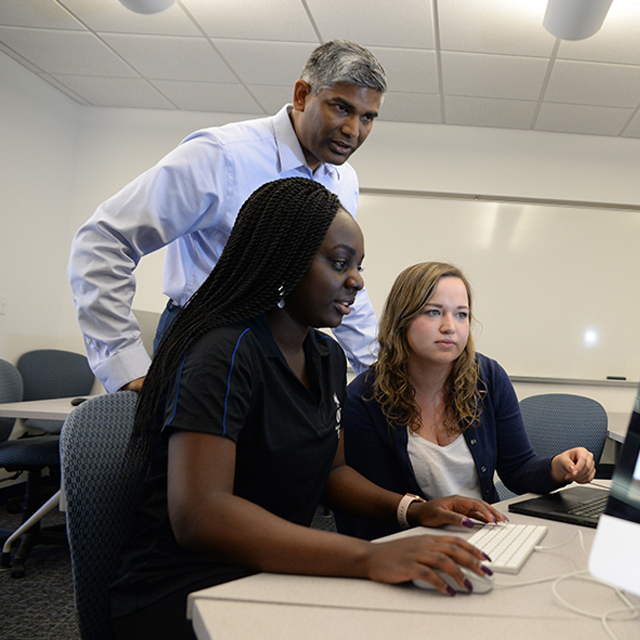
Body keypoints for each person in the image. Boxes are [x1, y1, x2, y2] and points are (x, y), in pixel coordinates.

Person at [109, 180, 496, 640]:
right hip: (187, 587)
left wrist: (414, 511)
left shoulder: (326, 357)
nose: (357, 279)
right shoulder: (225, 352)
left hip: (272, 569)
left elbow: (331, 475)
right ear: (284, 259)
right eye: (339, 263)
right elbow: (201, 515)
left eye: (358, 266)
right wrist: (366, 557)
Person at [67, 40, 387, 394]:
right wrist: (126, 366)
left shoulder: (344, 181)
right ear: (301, 96)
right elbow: (103, 241)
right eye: (341, 108)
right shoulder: (222, 155)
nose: (353, 130)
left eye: (367, 117)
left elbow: (336, 275)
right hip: (205, 342)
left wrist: (379, 372)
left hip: (286, 347)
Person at [337, 261, 596, 541]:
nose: (450, 327)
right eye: (434, 312)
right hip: (412, 545)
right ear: (402, 319)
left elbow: (518, 470)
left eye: (461, 315)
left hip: (489, 534)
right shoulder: (365, 398)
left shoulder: (488, 378)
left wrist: (558, 467)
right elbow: (376, 508)